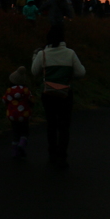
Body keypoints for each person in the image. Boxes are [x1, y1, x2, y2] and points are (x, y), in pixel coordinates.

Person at [31, 36, 86, 169]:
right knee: (64, 126)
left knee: (51, 124)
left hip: (48, 94)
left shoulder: (42, 53)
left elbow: (34, 72)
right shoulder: (70, 53)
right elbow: (81, 73)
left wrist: (35, 57)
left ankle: (52, 155)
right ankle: (62, 157)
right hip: (65, 94)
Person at [2, 67, 35, 158]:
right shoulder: (26, 90)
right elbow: (31, 100)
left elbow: (4, 101)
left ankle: (15, 151)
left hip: (12, 115)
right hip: (24, 115)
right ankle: (22, 143)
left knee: (15, 133)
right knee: (25, 131)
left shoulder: (9, 91)